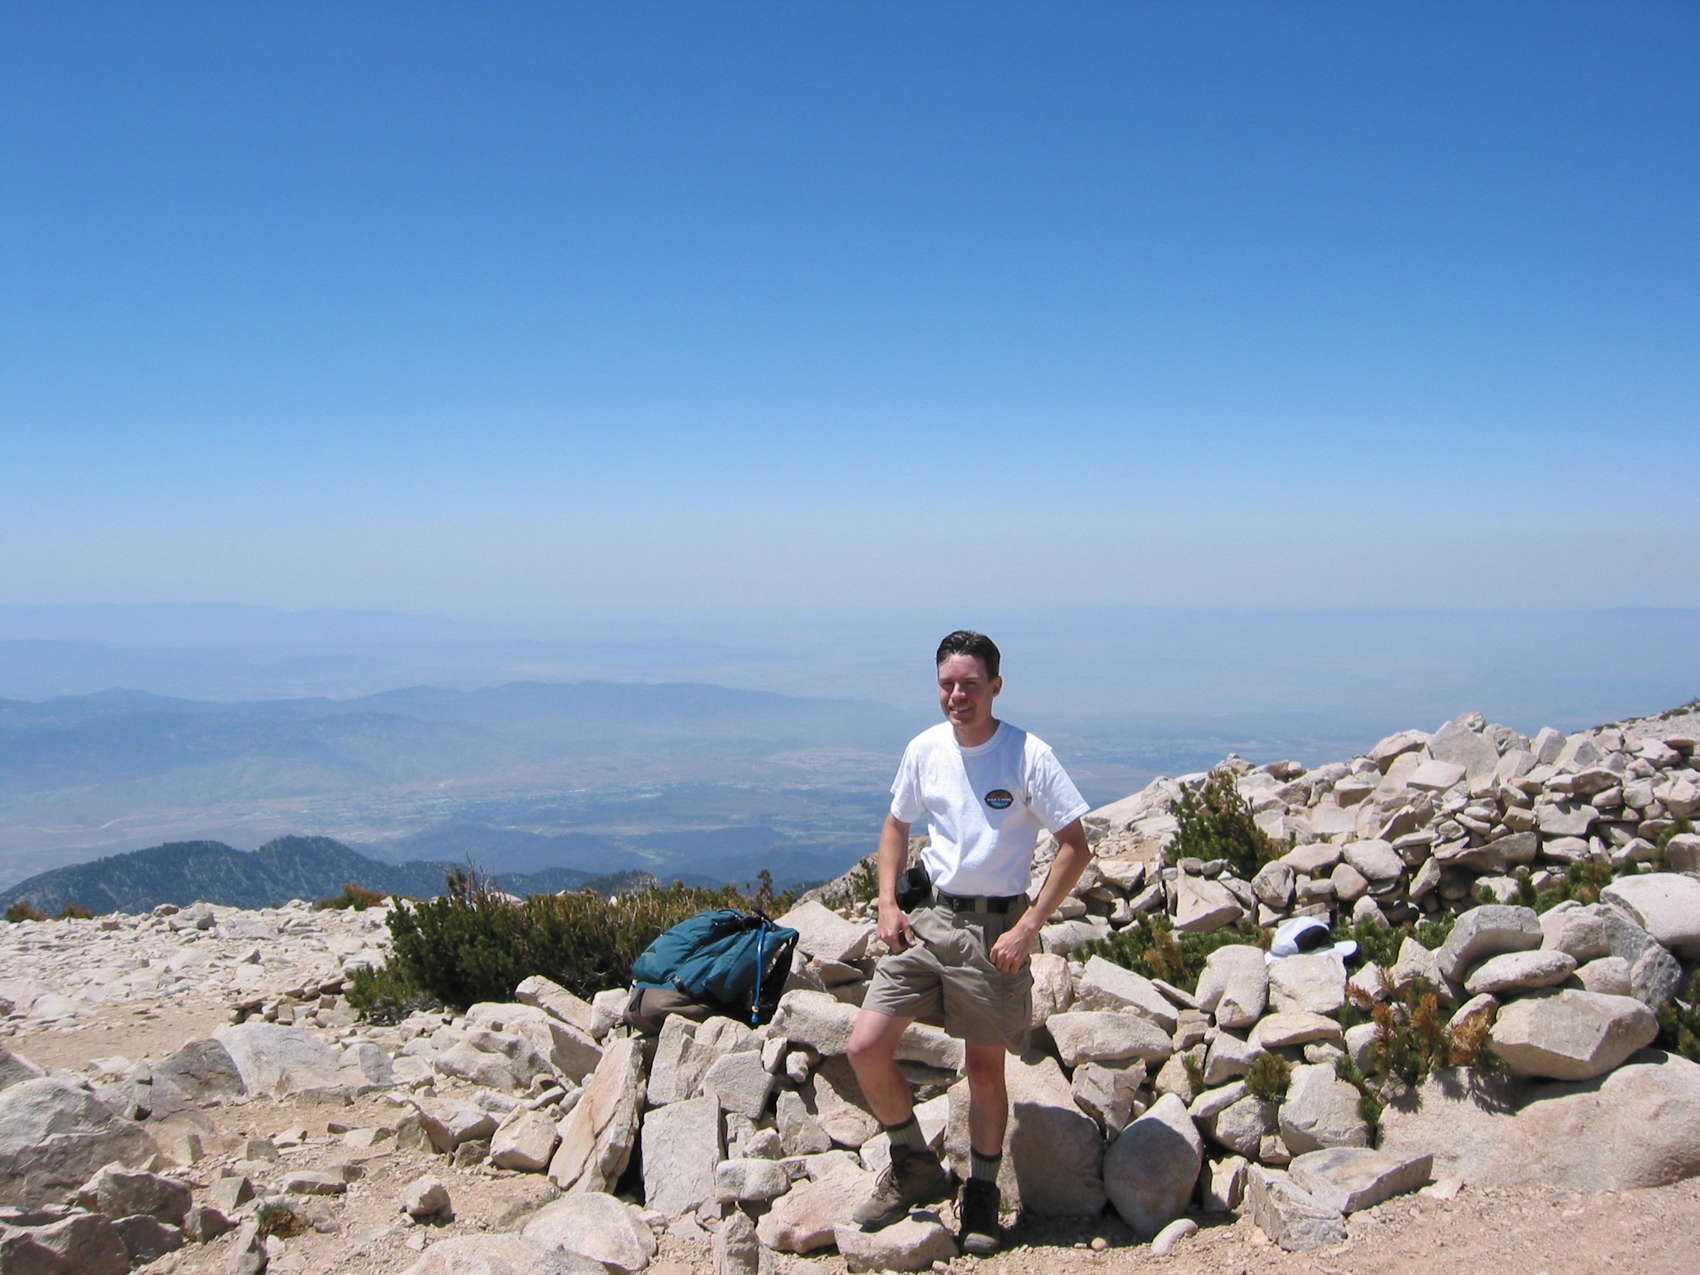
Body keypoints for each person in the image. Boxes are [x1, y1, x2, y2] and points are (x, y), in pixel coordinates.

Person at [846, 630, 1093, 1256]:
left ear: (996, 687)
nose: (958, 695)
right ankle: (913, 1163)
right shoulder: (925, 748)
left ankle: (982, 1194)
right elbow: (896, 823)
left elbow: (1075, 845)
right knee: (864, 1045)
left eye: (971, 685)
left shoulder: (1028, 754)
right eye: (948, 684)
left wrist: (1029, 926)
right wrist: (887, 902)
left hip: (995, 928)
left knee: (984, 1067)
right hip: (929, 919)